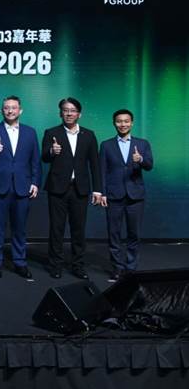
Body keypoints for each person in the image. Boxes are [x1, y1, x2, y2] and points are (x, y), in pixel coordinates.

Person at [41, 97, 102, 280]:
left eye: (73, 110)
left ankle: (78, 266)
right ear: (60, 113)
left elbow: (95, 164)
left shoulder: (89, 135)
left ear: (79, 114)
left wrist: (97, 190)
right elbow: (44, 157)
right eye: (65, 110)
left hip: (80, 189)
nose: (69, 113)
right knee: (56, 229)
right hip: (57, 188)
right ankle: (55, 265)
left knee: (78, 230)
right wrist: (52, 151)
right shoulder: (51, 132)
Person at [0, 95, 41, 279]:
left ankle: (20, 262)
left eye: (13, 108)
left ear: (20, 110)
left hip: (23, 186)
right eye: (6, 108)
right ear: (2, 111)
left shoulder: (30, 132)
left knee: (20, 228)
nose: (10, 111)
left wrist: (35, 182)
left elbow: (35, 160)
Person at [99, 109, 154, 281]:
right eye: (119, 121)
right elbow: (102, 171)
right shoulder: (106, 145)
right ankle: (117, 268)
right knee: (114, 234)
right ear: (114, 123)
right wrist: (102, 193)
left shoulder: (142, 144)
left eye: (126, 121)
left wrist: (141, 160)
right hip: (113, 195)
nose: (123, 124)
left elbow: (149, 165)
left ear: (132, 123)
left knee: (134, 234)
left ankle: (131, 268)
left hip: (135, 196)